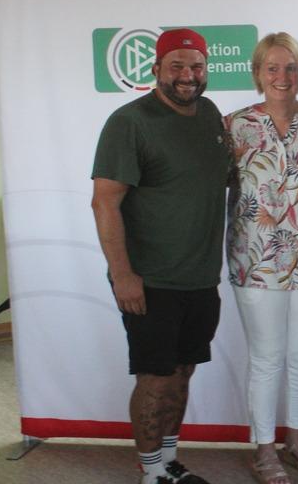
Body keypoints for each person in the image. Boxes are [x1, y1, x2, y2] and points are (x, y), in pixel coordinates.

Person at [91, 28, 229, 484]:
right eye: (177, 67)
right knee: (155, 378)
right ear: (156, 69)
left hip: (200, 277)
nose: (188, 76)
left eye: (196, 67)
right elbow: (104, 202)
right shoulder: (130, 122)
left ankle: (169, 463)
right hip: (150, 279)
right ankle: (151, 472)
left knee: (183, 372)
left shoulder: (209, 114)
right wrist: (122, 275)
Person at [225, 32, 298, 484]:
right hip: (255, 260)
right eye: (273, 68)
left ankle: (296, 443)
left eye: (291, 68)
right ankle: (264, 448)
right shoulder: (234, 125)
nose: (282, 77)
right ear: (257, 73)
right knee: (267, 358)